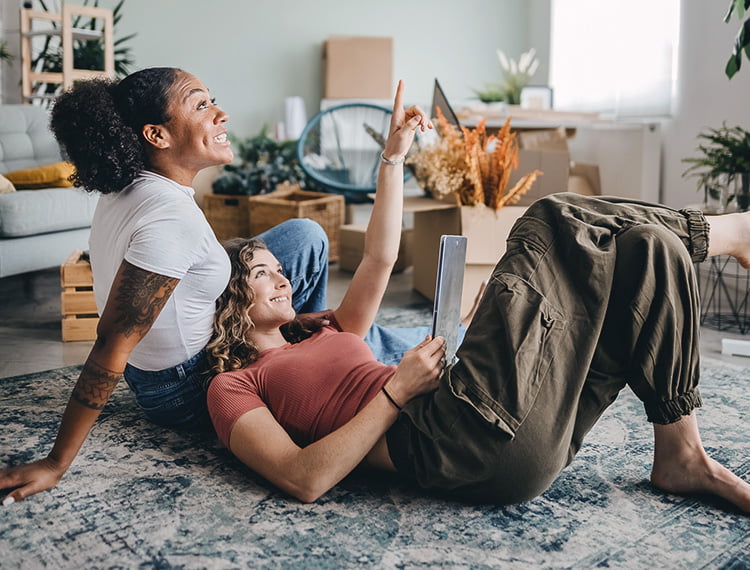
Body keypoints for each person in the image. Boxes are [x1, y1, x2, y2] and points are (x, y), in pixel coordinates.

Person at [205, 82, 750, 511]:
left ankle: (682, 455)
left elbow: (378, 259)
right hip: (455, 442)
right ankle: (731, 234)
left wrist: (393, 158)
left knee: (649, 250)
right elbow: (303, 479)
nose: (284, 280)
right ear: (229, 296)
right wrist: (397, 390)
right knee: (549, 216)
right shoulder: (231, 387)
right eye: (261, 273)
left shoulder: (324, 327)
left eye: (280, 270)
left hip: (514, 426)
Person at [0, 67, 420, 507]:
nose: (221, 114)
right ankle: (311, 375)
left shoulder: (135, 182)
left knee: (304, 237)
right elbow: (111, 344)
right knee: (361, 335)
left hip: (179, 352)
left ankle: (300, 346)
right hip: (181, 386)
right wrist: (56, 461)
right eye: (201, 104)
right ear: (156, 136)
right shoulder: (169, 220)